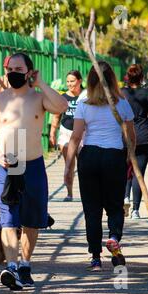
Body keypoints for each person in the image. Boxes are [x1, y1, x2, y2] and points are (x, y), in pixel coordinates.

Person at [0, 53, 67, 290]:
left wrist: (40, 83)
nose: (14, 73)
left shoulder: (38, 98)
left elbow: (62, 105)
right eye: (11, 69)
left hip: (33, 163)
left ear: (29, 71)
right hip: (9, 163)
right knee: (8, 217)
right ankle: (11, 267)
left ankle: (25, 265)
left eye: (20, 69)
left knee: (32, 220)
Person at [64, 61, 136, 272]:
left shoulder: (83, 102)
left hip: (90, 157)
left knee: (92, 210)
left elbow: (76, 137)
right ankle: (114, 238)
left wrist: (69, 165)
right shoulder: (121, 103)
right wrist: (130, 158)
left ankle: (95, 257)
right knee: (115, 205)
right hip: (114, 157)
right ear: (112, 79)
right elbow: (130, 136)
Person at [123, 64, 148, 219]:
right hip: (144, 137)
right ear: (142, 77)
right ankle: (136, 211)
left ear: (127, 77)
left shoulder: (121, 93)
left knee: (125, 171)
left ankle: (125, 197)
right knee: (139, 173)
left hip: (124, 137)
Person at [49, 70, 85, 201]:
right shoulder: (63, 97)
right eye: (68, 81)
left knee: (84, 165)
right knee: (69, 164)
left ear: (80, 81)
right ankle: (69, 193)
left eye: (73, 81)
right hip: (66, 132)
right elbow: (57, 115)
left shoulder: (86, 96)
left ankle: (86, 193)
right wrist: (52, 132)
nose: (70, 84)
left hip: (83, 133)